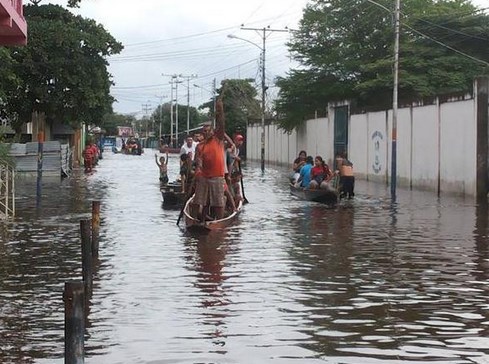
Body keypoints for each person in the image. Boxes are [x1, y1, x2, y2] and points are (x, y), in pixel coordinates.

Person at [193, 98, 226, 221]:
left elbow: (221, 124)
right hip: (204, 176)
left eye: (208, 131)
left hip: (217, 176)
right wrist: (199, 168)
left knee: (218, 202)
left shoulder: (218, 139)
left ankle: (219, 222)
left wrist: (220, 110)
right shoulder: (200, 146)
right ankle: (196, 219)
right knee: (198, 201)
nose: (206, 133)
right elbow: (198, 160)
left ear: (212, 131)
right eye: (204, 131)